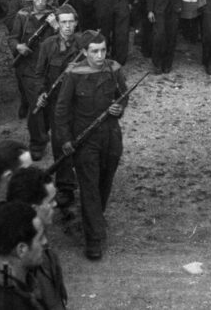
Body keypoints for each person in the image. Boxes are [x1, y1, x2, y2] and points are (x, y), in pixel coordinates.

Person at [54, 31, 128, 260]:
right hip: (85, 138)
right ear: (84, 52)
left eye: (103, 50)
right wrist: (65, 139)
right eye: (94, 51)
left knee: (104, 182)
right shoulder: (74, 74)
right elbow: (62, 109)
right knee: (89, 188)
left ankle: (94, 218)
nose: (99, 55)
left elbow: (123, 94)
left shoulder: (113, 69)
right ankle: (94, 240)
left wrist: (119, 107)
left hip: (111, 135)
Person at [34, 4, 81, 210]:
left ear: (76, 23)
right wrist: (41, 93)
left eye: (71, 22)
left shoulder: (83, 44)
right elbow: (38, 75)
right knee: (60, 141)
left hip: (80, 102)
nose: (68, 26)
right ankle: (65, 186)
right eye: (64, 22)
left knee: (81, 139)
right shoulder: (47, 45)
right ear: (58, 24)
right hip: (56, 103)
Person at [9, 0, 58, 160]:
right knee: (37, 104)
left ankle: (43, 132)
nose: (40, 2)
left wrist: (55, 25)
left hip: (50, 67)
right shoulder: (23, 15)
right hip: (29, 68)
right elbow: (13, 37)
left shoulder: (55, 15)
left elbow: (68, 39)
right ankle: (37, 142)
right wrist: (19, 47)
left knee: (49, 102)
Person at [6, 167, 67, 310]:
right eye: (50, 201)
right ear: (34, 209)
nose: (55, 204)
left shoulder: (38, 240)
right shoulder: (26, 258)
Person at [0, 202, 46, 309]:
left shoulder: (10, 283)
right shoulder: (4, 304)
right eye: (40, 238)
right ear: (21, 250)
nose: (45, 242)